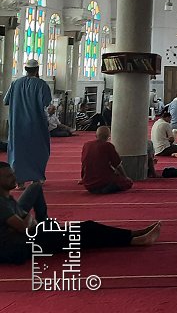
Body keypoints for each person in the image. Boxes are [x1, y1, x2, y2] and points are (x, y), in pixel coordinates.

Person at [0, 162, 161, 265]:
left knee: (85, 229)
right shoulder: (1, 203)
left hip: (30, 235)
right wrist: (27, 218)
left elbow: (21, 225)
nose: (14, 177)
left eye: (13, 173)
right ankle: (133, 240)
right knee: (87, 232)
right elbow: (23, 227)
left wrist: (25, 221)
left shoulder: (7, 198)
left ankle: (134, 234)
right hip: (24, 246)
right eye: (8, 176)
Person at [4, 59, 52, 187]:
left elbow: (5, 101)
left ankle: (19, 181)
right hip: (36, 125)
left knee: (18, 153)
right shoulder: (41, 84)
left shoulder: (15, 83)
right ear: (37, 70)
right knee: (38, 151)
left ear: (26, 70)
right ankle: (36, 179)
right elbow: (47, 103)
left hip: (17, 126)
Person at [80, 126, 134, 194]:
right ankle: (105, 189)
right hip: (104, 181)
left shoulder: (86, 145)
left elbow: (84, 164)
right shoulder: (108, 146)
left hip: (88, 184)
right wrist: (125, 177)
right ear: (108, 136)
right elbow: (118, 165)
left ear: (95, 135)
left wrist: (83, 178)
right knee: (127, 183)